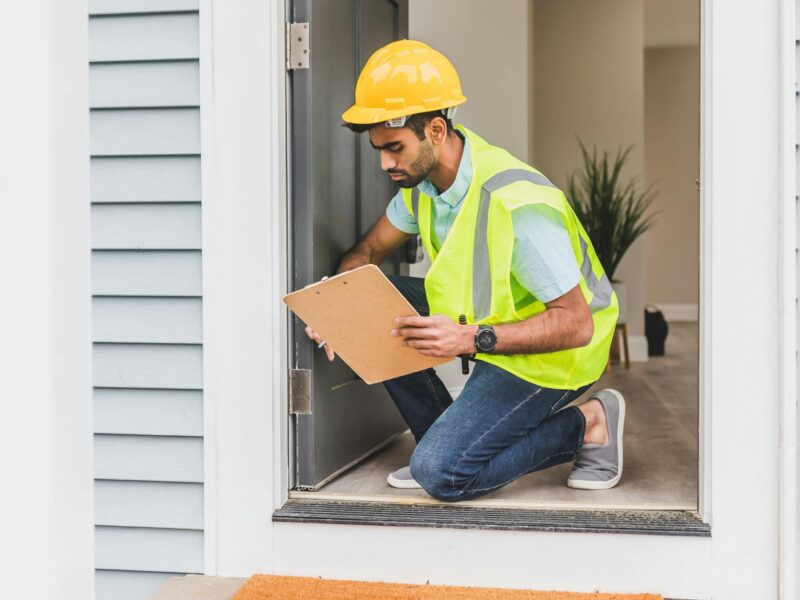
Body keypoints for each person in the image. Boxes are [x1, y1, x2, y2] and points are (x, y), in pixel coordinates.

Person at [306, 40, 624, 502]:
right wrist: (341, 307)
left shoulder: (516, 204)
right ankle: (444, 438)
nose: (384, 163)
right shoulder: (423, 188)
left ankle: (591, 422)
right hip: (490, 332)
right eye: (379, 149)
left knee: (443, 474)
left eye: (394, 148)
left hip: (555, 356)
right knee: (373, 300)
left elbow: (575, 324)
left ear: (435, 130)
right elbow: (368, 249)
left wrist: (474, 339)